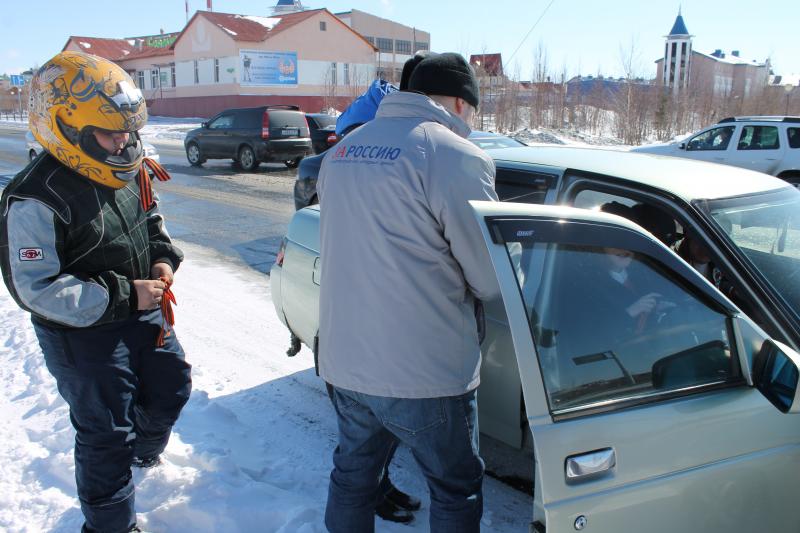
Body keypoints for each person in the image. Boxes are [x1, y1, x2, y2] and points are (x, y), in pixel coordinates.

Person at [0, 51, 191, 533]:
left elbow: (150, 219)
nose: (124, 142)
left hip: (142, 312)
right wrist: (128, 295)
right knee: (106, 432)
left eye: (128, 132)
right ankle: (109, 524)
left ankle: (143, 459)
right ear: (67, 129)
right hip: (81, 332)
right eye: (111, 133)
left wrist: (162, 259)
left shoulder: (127, 165)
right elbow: (36, 288)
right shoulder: (35, 197)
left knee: (172, 388)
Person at [317, 52, 498, 532]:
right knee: (456, 489)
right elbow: (490, 277)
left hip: (347, 362)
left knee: (353, 479)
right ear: (461, 102)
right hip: (425, 373)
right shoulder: (455, 156)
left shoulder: (342, 153)